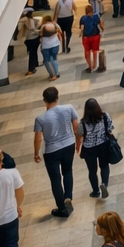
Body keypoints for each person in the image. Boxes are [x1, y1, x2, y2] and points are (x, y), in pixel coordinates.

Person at [33, 87, 81, 218]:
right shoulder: (69, 108)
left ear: (44, 100)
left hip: (51, 151)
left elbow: (38, 138)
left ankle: (61, 208)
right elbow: (76, 127)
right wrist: (78, 144)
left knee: (55, 179)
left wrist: (36, 153)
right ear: (57, 97)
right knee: (67, 171)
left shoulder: (40, 119)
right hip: (68, 145)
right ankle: (68, 196)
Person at [78, 98, 114, 200]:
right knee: (104, 166)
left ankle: (95, 191)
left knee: (92, 171)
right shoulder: (105, 116)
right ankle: (104, 184)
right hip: (103, 145)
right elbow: (110, 128)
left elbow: (80, 134)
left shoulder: (83, 122)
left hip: (89, 148)